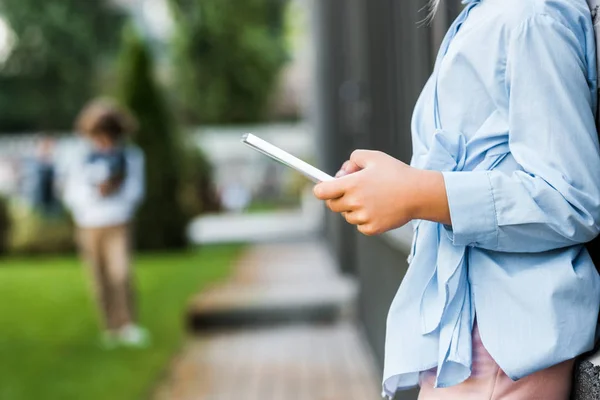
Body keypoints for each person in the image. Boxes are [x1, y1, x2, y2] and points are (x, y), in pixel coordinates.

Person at [313, 0, 600, 399]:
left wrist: (418, 193)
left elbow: (571, 200)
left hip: (504, 345)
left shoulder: (530, 18)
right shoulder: (478, 19)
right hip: (460, 334)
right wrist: (395, 187)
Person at [63, 98, 149, 349]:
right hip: (89, 223)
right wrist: (94, 194)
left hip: (118, 221)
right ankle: (110, 327)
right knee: (98, 277)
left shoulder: (130, 157)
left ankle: (128, 324)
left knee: (120, 273)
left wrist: (114, 192)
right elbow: (71, 192)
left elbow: (136, 191)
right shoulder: (80, 158)